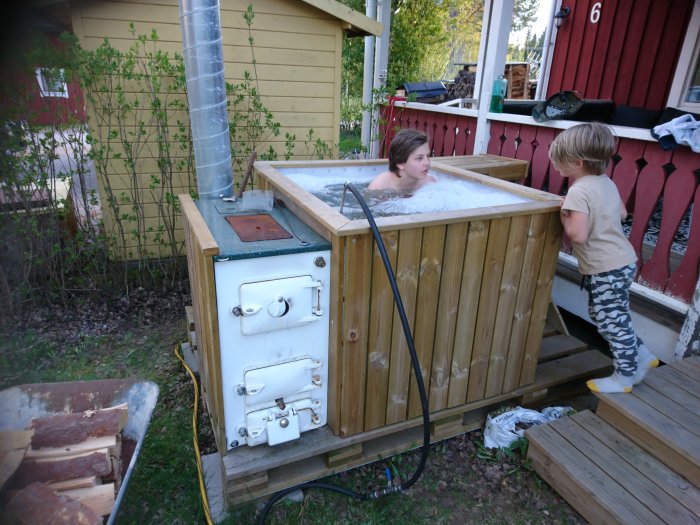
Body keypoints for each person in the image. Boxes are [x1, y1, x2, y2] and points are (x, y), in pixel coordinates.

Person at [550, 122, 659, 394]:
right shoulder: (605, 182)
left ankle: (624, 377)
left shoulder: (578, 191)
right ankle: (643, 357)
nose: (556, 167)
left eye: (559, 162)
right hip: (622, 262)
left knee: (610, 319)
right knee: (607, 315)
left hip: (605, 268)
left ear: (576, 162)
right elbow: (621, 213)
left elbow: (578, 235)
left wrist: (565, 212)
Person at [368, 129, 436, 191]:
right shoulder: (379, 187)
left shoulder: (429, 183)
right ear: (400, 163)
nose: (427, 163)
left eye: (427, 156)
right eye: (419, 158)